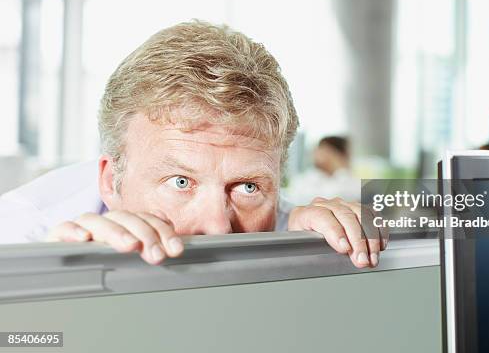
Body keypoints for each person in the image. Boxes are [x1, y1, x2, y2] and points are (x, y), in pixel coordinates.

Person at [0, 21, 386, 269]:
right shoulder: (17, 236)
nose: (217, 227)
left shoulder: (279, 221)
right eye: (180, 182)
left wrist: (319, 250)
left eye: (248, 187)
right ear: (110, 181)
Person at [285, 136, 361, 205]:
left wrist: (340, 168)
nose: (316, 154)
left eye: (324, 150)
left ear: (338, 155)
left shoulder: (351, 182)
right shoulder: (304, 180)